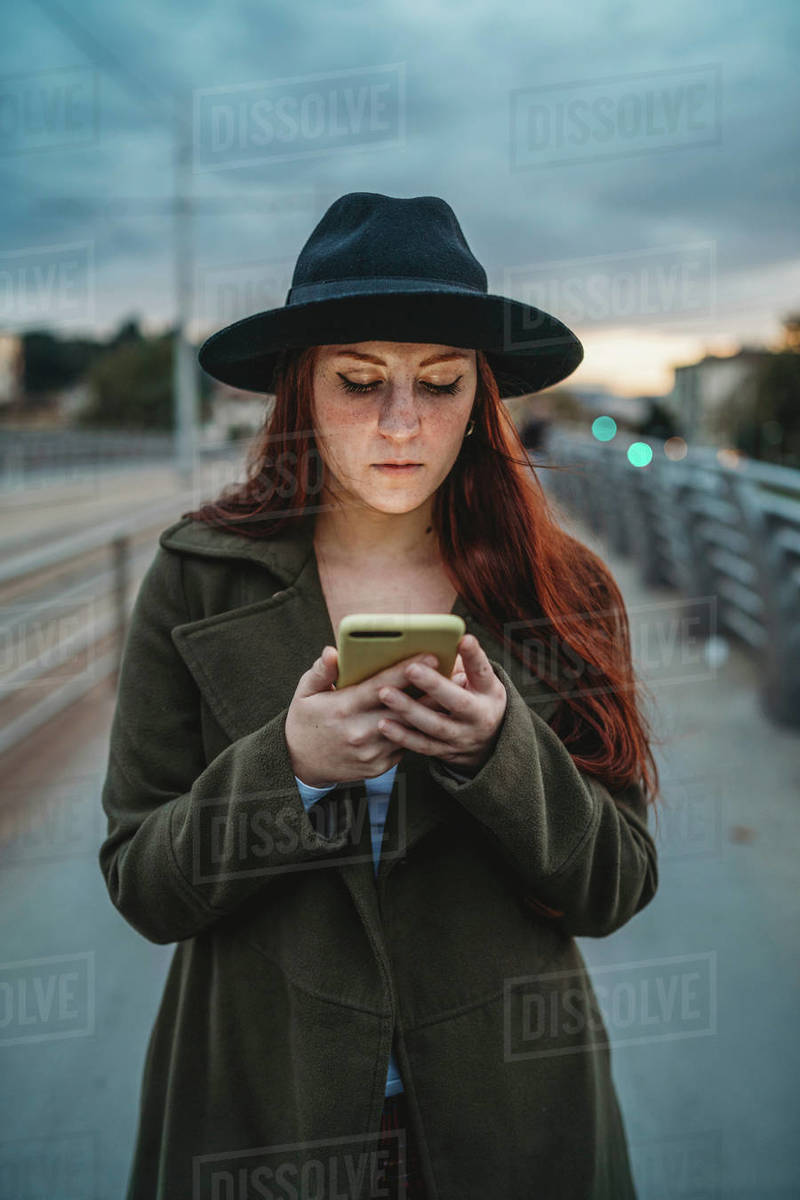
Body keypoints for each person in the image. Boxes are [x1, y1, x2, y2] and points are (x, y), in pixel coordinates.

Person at [99, 192, 661, 1200]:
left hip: (514, 1113)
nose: (401, 424)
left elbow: (613, 884)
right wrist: (290, 771)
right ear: (299, 394)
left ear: (479, 400)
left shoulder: (562, 589)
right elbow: (143, 882)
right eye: (359, 383)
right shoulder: (195, 579)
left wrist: (498, 756)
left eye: (439, 386)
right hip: (260, 1115)